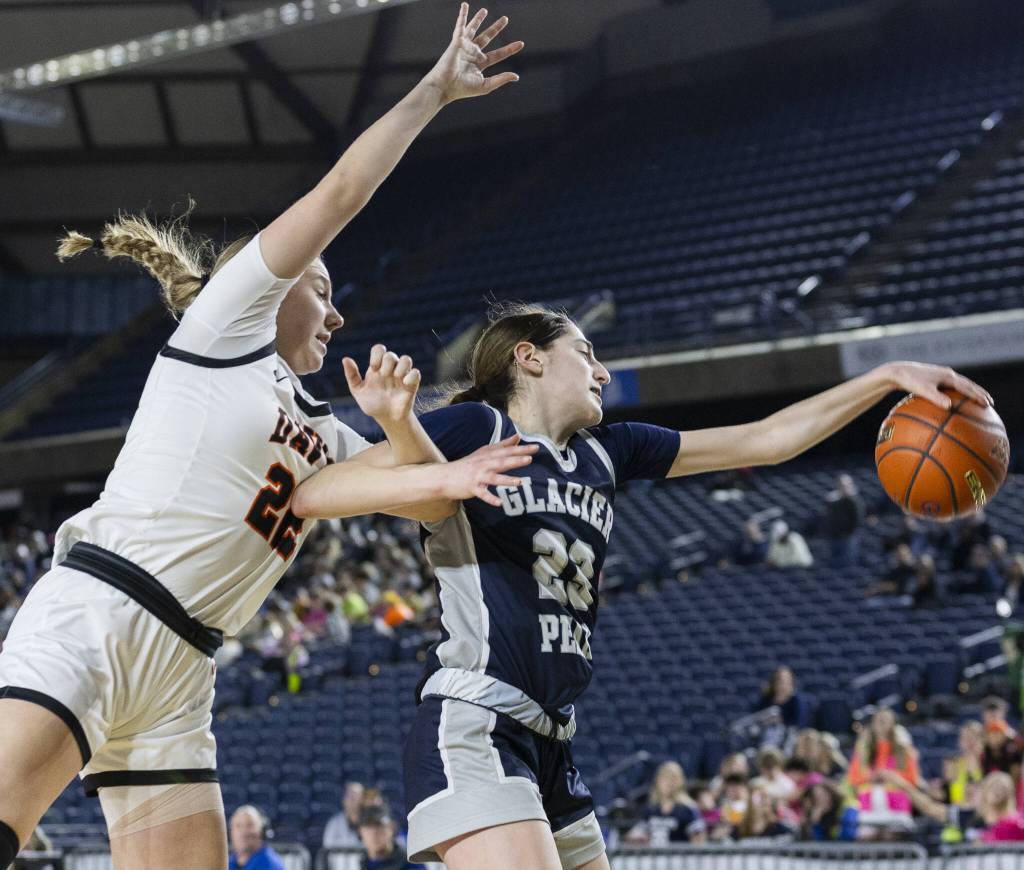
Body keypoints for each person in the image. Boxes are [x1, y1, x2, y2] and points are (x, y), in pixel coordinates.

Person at [0, 7, 529, 869]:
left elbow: (428, 496)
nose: (337, 307)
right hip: (98, 615)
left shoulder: (323, 434)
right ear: (268, 287)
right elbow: (338, 196)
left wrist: (403, 427)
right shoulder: (222, 330)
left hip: (182, 674)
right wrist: (432, 93)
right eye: (320, 288)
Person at [299, 303, 991, 869]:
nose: (601, 372)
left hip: (551, 745)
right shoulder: (481, 425)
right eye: (585, 352)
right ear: (529, 358)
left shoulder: (610, 452)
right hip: (477, 721)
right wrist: (399, 428)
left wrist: (886, 376)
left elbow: (765, 440)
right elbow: (324, 488)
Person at [628, 761, 706, 847]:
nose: (669, 783)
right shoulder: (651, 808)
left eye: (673, 779)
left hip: (679, 858)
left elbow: (698, 838)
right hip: (652, 857)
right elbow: (636, 833)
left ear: (680, 782)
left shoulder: (688, 809)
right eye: (665, 778)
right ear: (657, 781)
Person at [357, 805, 425, 870]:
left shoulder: (411, 862)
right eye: (368, 827)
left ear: (392, 828)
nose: (374, 834)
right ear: (360, 832)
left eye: (379, 826)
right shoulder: (364, 863)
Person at [823, 473, 862, 567]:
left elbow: (858, 518)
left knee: (848, 563)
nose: (843, 487)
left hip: (849, 536)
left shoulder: (854, 500)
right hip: (834, 536)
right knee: (834, 564)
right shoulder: (834, 501)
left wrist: (850, 531)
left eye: (845, 485)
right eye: (840, 485)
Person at [228, 806, 285, 870]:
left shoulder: (271, 864)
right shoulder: (227, 863)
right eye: (238, 826)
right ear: (231, 833)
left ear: (262, 831)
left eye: (249, 825)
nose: (243, 832)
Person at [324, 782, 366, 849]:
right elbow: (327, 848)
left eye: (356, 796)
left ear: (362, 800)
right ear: (344, 800)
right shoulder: (334, 823)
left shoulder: (370, 822)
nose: (352, 799)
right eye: (349, 796)